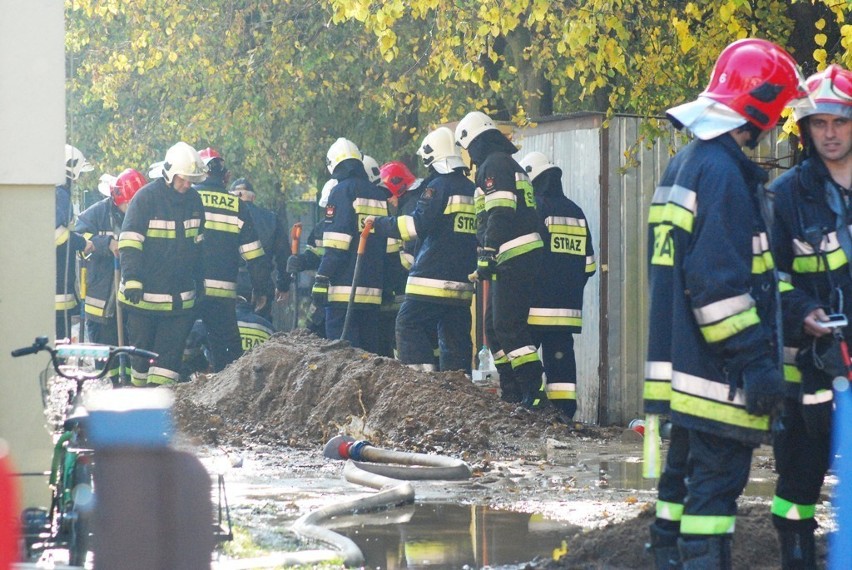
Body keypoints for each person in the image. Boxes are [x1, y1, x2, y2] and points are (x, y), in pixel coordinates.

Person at [641, 38, 810, 569]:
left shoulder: (685, 164)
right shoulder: (724, 175)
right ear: (762, 105)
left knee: (677, 493)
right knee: (712, 503)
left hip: (683, 374)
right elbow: (718, 287)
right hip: (717, 379)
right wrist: (757, 364)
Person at [769, 64, 852, 569]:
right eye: (820, 122)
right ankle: (795, 558)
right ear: (805, 127)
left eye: (840, 121)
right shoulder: (786, 196)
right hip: (809, 364)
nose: (830, 133)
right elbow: (767, 276)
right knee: (798, 477)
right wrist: (805, 312)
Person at [369, 127, 477, 371]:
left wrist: (379, 224)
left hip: (431, 279)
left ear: (431, 156)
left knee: (408, 324)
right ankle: (461, 394)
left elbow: (415, 225)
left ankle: (421, 387)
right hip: (462, 285)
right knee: (455, 339)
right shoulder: (472, 189)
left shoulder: (438, 187)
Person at [455, 111, 544, 405]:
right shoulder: (506, 163)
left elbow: (501, 211)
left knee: (508, 326)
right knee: (494, 328)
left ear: (475, 142)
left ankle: (533, 393)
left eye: (467, 148)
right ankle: (512, 392)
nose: (468, 155)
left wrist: (489, 249)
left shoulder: (493, 165)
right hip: (516, 255)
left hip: (514, 253)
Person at [118, 141, 207, 386]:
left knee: (167, 370)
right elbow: (129, 242)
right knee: (140, 366)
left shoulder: (194, 201)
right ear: (169, 173)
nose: (187, 185)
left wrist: (201, 284)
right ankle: (138, 408)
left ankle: (159, 411)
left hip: (178, 304)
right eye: (183, 179)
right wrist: (132, 279)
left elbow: (198, 248)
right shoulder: (145, 199)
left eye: (191, 180)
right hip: (142, 299)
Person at [519, 151, 596, 422]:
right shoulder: (577, 212)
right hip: (567, 309)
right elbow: (589, 266)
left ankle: (529, 411)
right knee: (561, 364)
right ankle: (564, 415)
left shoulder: (535, 209)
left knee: (526, 360)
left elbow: (525, 256)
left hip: (535, 306)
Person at [194, 148, 271, 372]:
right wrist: (261, 289)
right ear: (226, 177)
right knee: (227, 359)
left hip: (188, 293)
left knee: (181, 350)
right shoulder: (236, 206)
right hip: (223, 298)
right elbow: (254, 255)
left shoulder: (187, 199)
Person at [312, 138, 388, 350]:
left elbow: (337, 244)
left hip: (344, 293)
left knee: (342, 357)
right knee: (368, 356)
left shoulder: (341, 191)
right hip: (373, 292)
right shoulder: (378, 195)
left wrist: (322, 278)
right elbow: (389, 245)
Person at [76, 168, 147, 372]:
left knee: (129, 350)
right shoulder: (98, 213)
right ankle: (114, 383)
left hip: (129, 296)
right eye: (130, 203)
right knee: (106, 354)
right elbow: (79, 238)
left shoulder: (143, 213)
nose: (135, 208)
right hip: (102, 300)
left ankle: (126, 386)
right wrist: (106, 243)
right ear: (118, 198)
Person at [229, 177, 292, 321]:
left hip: (230, 282)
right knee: (260, 328)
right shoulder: (271, 218)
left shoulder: (224, 216)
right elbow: (283, 256)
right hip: (261, 285)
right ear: (253, 197)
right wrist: (283, 285)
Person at [376, 160, 416, 358]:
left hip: (410, 285)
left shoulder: (409, 208)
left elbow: (409, 254)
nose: (389, 200)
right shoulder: (409, 204)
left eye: (389, 194)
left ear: (398, 186)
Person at [287, 178, 337, 338]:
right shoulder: (321, 228)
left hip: (347, 295)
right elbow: (315, 255)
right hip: (324, 298)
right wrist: (301, 262)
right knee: (315, 333)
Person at [56, 145, 94, 339]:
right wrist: (81, 243)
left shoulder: (52, 191)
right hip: (57, 284)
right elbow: (57, 235)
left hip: (55, 282)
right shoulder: (60, 194)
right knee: (59, 342)